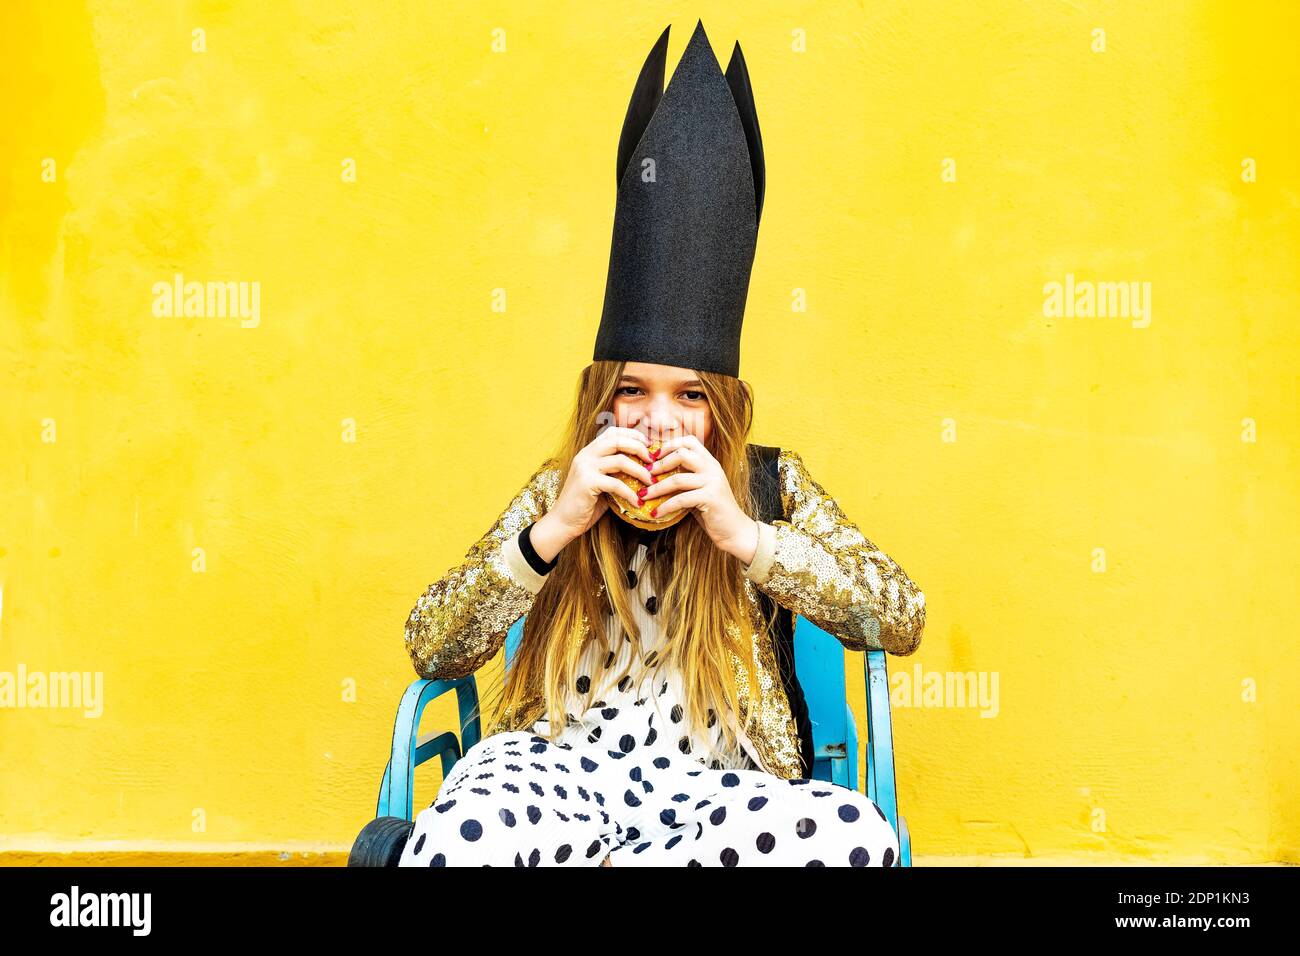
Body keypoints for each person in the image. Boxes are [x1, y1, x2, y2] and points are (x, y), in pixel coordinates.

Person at [397, 20, 926, 867]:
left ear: (722, 409)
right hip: (555, 775)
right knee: (464, 832)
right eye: (632, 392)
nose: (658, 419)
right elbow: (433, 645)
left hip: (716, 790)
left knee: (854, 833)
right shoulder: (557, 492)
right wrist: (551, 532)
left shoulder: (768, 487)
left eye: (689, 397)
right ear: (601, 402)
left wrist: (748, 538)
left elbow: (901, 617)